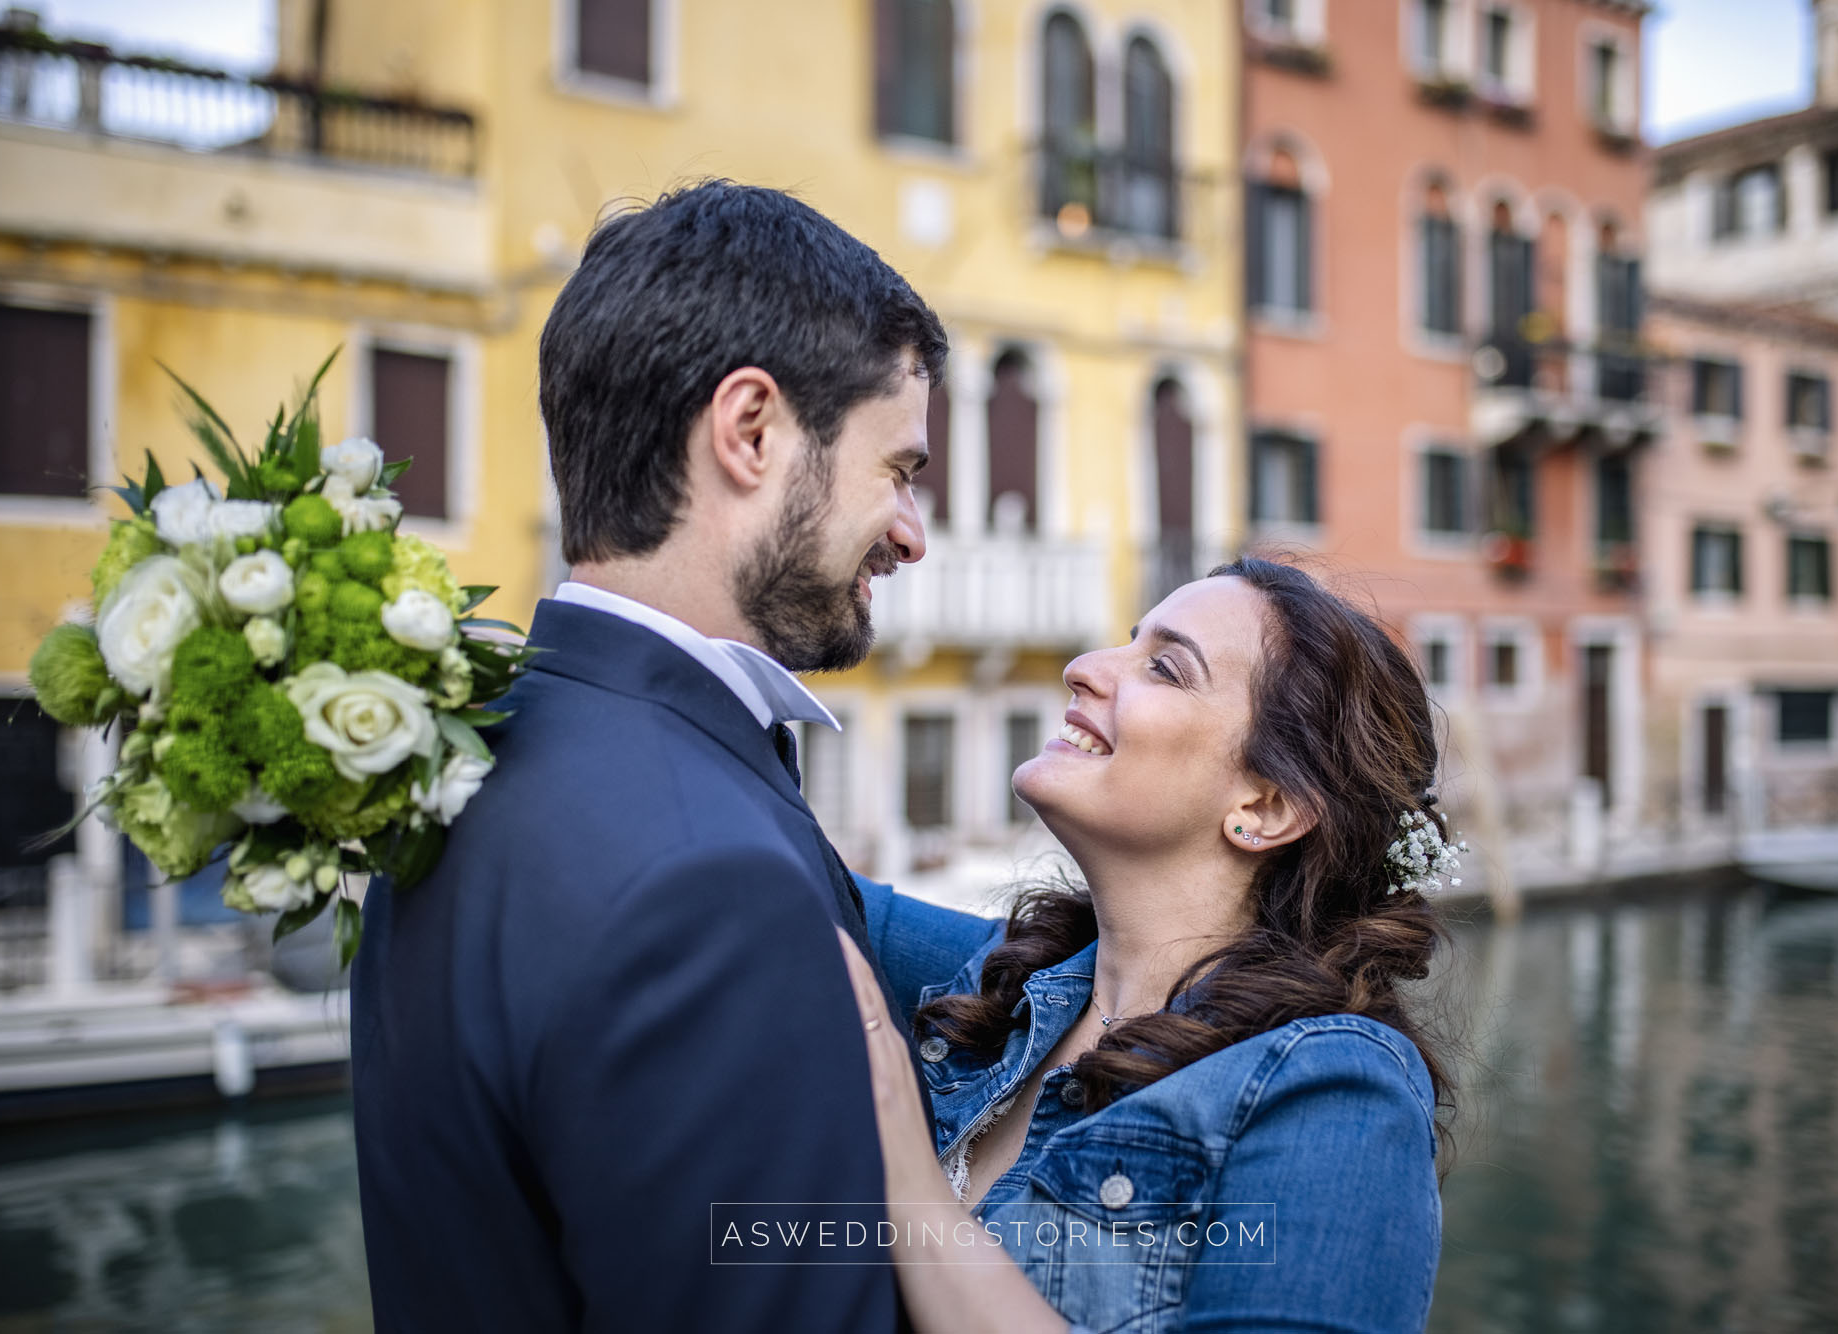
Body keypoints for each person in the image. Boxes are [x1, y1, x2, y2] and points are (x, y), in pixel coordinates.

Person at [351, 180, 947, 1333]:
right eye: (899, 468)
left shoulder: (458, 770)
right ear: (751, 430)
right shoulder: (708, 884)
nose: (912, 530)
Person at [841, 557, 1453, 1334]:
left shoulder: (1335, 1088)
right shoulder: (1006, 984)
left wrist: (911, 1190)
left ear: (1264, 806)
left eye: (1164, 667)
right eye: (1127, 644)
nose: (1083, 668)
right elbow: (766, 864)